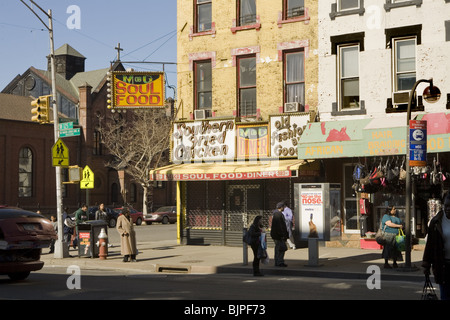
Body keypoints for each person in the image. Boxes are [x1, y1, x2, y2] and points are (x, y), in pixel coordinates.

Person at [423, 193, 450, 300]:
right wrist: (426, 264)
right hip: (443, 266)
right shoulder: (436, 222)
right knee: (445, 296)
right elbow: (430, 245)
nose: (448, 208)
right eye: (446, 206)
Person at [270, 202, 289, 267]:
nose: (284, 208)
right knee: (280, 249)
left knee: (279, 248)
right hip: (279, 236)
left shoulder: (276, 214)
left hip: (277, 235)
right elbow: (280, 226)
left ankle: (279, 261)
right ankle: (279, 262)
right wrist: (282, 235)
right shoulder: (278, 214)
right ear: (281, 207)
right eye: (283, 207)